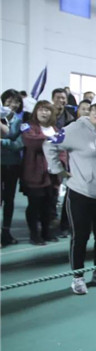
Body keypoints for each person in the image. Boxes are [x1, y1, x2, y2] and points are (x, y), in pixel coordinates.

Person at [43, 93, 96, 295]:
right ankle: (78, 277)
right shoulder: (74, 129)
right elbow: (49, 144)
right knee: (80, 237)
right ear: (90, 110)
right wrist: (59, 170)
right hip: (80, 193)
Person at [20, 100, 62, 245]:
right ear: (35, 112)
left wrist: (61, 165)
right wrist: (51, 139)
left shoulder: (55, 129)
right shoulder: (28, 127)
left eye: (47, 110)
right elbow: (31, 142)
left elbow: (62, 149)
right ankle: (34, 234)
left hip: (52, 175)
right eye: (41, 110)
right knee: (34, 205)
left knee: (49, 205)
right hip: (34, 173)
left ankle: (46, 232)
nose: (44, 113)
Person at [1, 89, 24, 246]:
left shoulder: (21, 122)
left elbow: (19, 144)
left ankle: (6, 232)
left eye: (16, 101)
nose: (12, 104)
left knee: (9, 200)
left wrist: (2, 142)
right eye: (9, 101)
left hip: (13, 166)